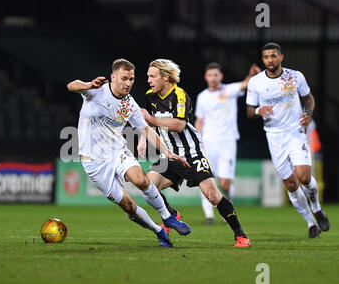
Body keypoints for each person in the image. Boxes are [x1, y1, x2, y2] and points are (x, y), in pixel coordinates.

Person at [67, 58, 192, 248]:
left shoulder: (130, 104)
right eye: (124, 78)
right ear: (113, 77)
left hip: (117, 152)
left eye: (131, 79)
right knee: (129, 206)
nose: (128, 83)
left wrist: (168, 152)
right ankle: (158, 230)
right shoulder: (96, 90)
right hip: (93, 162)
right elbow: (71, 86)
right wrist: (87, 84)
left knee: (141, 179)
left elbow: (146, 130)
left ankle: (168, 217)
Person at [139, 59, 250, 247]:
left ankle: (240, 235)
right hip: (170, 155)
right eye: (148, 76)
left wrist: (153, 120)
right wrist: (143, 139)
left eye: (152, 76)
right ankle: (172, 215)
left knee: (212, 195)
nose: (148, 80)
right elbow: (148, 123)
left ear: (166, 77)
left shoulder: (179, 95)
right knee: (147, 186)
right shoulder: (151, 96)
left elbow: (180, 125)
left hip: (192, 153)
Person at [246, 42, 330, 238]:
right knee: (291, 184)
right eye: (266, 57)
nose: (269, 60)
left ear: (281, 57)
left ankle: (317, 209)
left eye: (273, 56)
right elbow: (249, 111)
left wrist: (308, 113)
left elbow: (309, 99)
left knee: (304, 177)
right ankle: (311, 223)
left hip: (295, 132)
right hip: (274, 136)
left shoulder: (295, 76)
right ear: (263, 59)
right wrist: (259, 110)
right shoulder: (256, 82)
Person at [194, 62, 261, 224]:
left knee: (224, 183)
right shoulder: (202, 97)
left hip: (227, 142)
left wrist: (251, 74)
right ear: (206, 77)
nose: (213, 78)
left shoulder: (228, 90)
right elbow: (199, 120)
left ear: (221, 76)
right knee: (206, 178)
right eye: (210, 75)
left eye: (215, 75)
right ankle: (209, 215)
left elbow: (246, 84)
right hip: (208, 142)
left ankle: (227, 206)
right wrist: (197, 141)